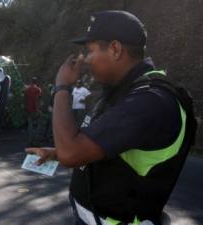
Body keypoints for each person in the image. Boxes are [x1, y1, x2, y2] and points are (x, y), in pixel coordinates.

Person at [26, 10, 196, 225]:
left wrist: (62, 87)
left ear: (115, 49)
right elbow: (104, 146)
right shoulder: (120, 92)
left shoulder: (150, 101)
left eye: (89, 51)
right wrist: (55, 153)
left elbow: (72, 154)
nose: (85, 60)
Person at [25, 77, 42, 145]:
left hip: (28, 109)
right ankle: (36, 141)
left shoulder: (27, 89)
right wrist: (38, 110)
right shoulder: (38, 90)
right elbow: (37, 100)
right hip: (35, 110)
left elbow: (25, 99)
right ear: (36, 82)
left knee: (30, 125)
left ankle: (30, 140)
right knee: (38, 125)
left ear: (31, 82)